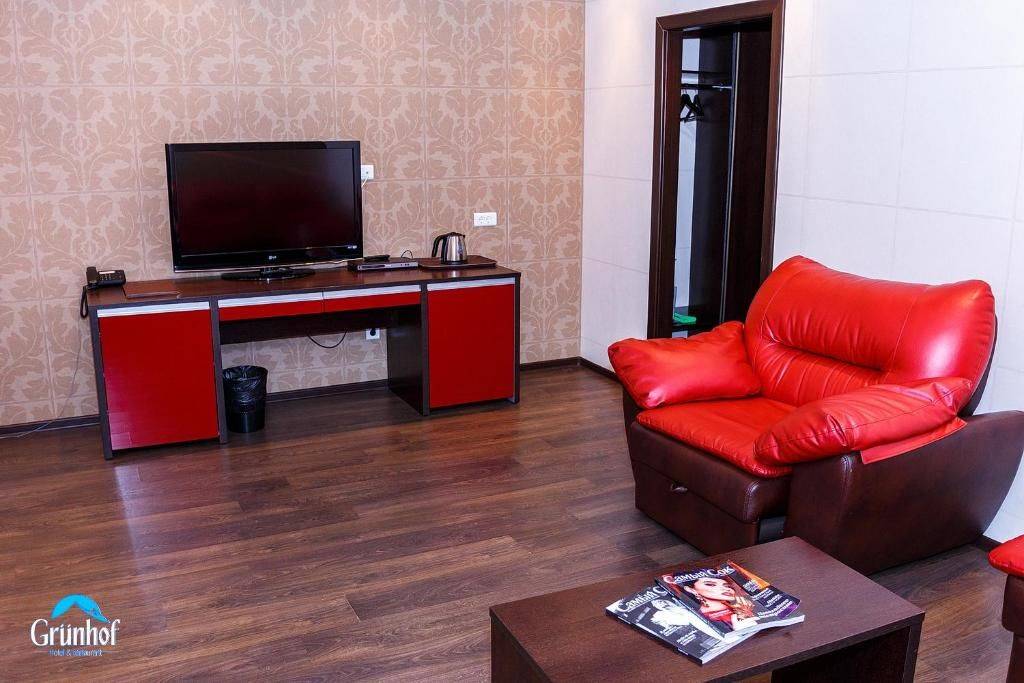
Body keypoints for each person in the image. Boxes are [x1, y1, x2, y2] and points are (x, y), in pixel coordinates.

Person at [682, 576, 758, 631]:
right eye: (711, 584)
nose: (726, 589)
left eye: (728, 586)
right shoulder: (694, 618)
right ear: (691, 590)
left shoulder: (747, 605)